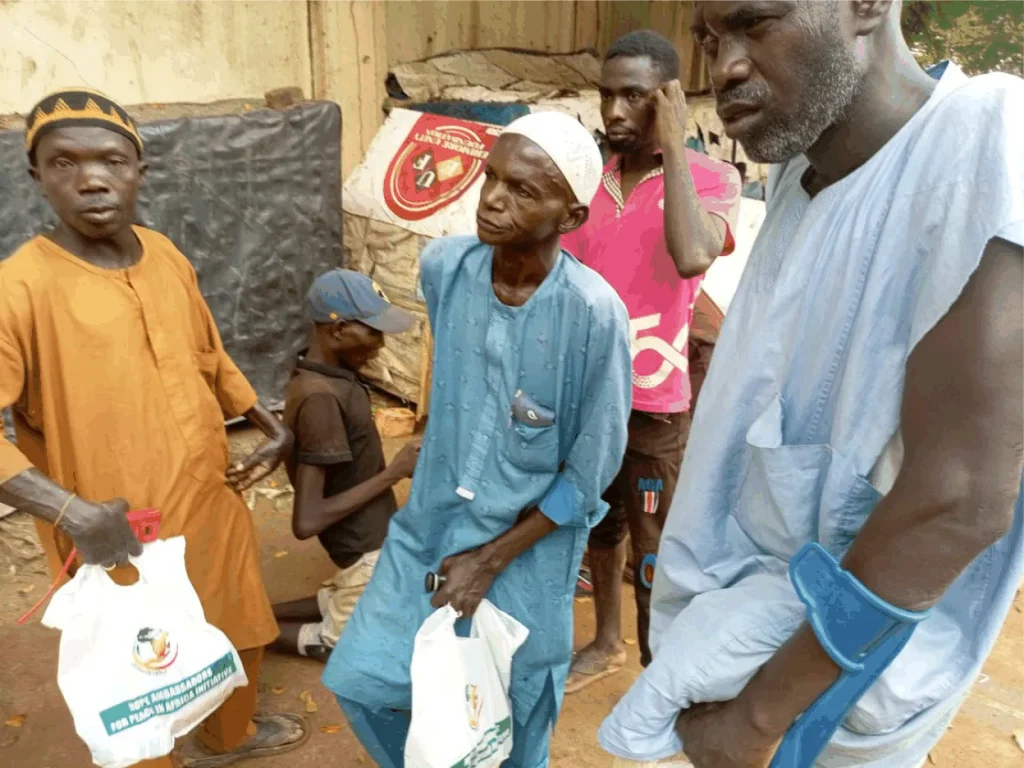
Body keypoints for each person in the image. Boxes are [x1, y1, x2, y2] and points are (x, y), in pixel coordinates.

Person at [598, 2, 1023, 767]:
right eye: (710, 40)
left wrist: (756, 720)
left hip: (821, 703)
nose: (724, 66)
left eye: (756, 22)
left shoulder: (990, 135)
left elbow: (958, 500)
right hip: (729, 654)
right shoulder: (801, 179)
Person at [0, 89, 308, 768]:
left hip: (208, 495)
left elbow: (208, 353)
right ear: (36, 175)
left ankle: (228, 737)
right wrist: (73, 513)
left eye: (111, 160)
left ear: (140, 169)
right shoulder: (18, 287)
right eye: (65, 162)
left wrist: (270, 424)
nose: (91, 179)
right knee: (140, 669)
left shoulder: (164, 255)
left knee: (238, 621)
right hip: (113, 525)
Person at [322, 111, 632, 767]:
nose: (493, 198)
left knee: (517, 714)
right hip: (430, 525)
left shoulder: (593, 313)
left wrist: (490, 560)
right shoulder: (445, 267)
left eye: (523, 190)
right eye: (491, 177)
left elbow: (589, 474)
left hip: (528, 547)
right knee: (364, 681)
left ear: (571, 216)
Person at [560, 29, 741, 690]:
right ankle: (607, 641)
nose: (613, 111)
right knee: (600, 528)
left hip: (655, 408)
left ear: (666, 98)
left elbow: (693, 255)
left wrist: (674, 143)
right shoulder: (588, 183)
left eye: (633, 96)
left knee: (654, 542)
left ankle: (657, 672)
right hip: (589, 398)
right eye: (606, 94)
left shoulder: (713, 179)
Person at [270, 269, 421, 662]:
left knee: (371, 596)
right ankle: (242, 630)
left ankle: (259, 615)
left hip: (368, 550)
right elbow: (307, 520)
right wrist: (393, 473)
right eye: (372, 332)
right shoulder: (321, 399)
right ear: (337, 331)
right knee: (347, 646)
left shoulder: (328, 379)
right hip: (364, 555)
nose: (381, 344)